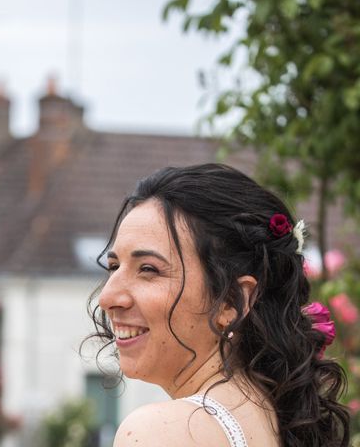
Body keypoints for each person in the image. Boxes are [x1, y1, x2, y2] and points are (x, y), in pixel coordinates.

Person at [86, 164, 350, 446]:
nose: (108, 297)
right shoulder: (277, 424)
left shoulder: (161, 431)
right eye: (114, 266)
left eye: (149, 269)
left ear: (232, 301)